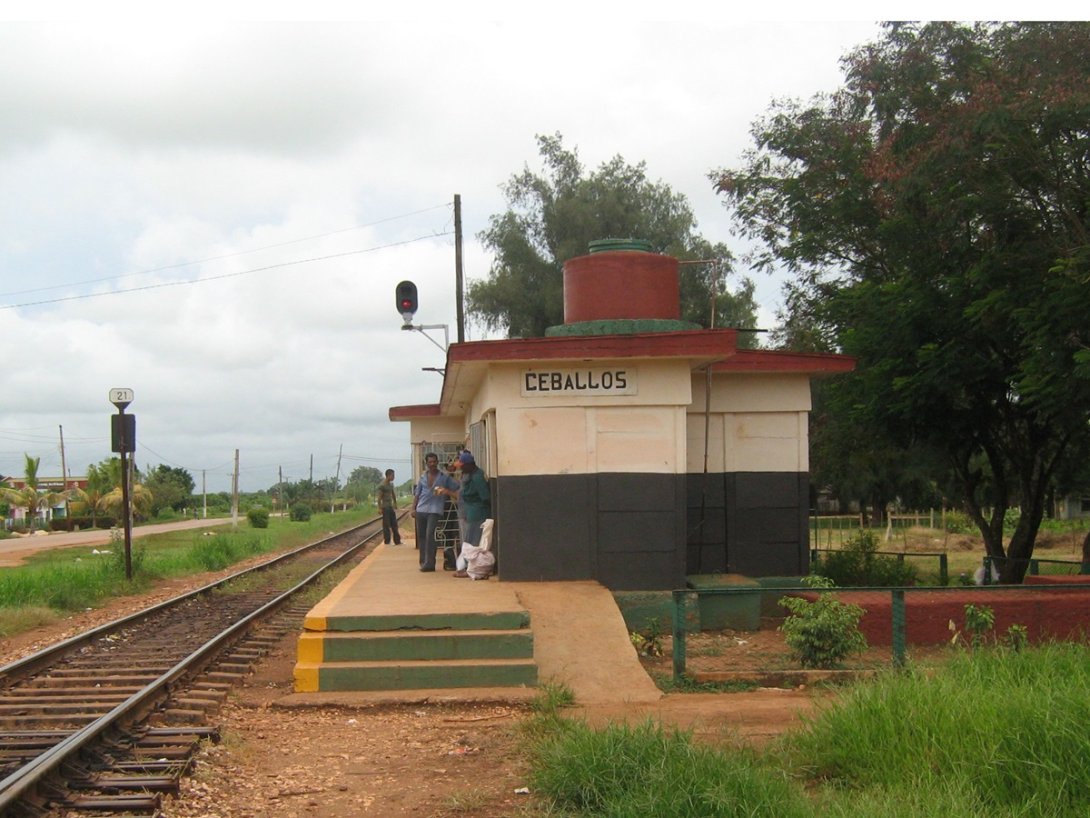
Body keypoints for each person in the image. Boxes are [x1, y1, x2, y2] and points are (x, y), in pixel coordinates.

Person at [411, 452, 458, 572]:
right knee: (422, 536)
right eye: (430, 462)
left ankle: (430, 563)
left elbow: (457, 487)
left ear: (437, 462)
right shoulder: (422, 478)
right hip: (421, 509)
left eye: (434, 461)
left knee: (430, 534)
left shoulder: (444, 477)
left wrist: (447, 492)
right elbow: (417, 494)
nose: (432, 464)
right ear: (426, 463)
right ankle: (423, 561)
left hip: (435, 509)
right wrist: (413, 508)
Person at [375, 469, 401, 545]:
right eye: (393, 475)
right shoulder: (382, 485)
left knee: (394, 524)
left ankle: (397, 541)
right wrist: (379, 508)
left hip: (390, 507)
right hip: (385, 507)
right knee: (386, 525)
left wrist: (395, 503)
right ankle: (387, 541)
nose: (394, 477)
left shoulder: (390, 485)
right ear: (388, 475)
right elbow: (379, 498)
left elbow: (393, 494)